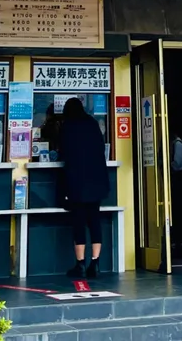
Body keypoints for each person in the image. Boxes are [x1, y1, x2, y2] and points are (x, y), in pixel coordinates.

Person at [59, 97, 109, 278]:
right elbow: (101, 148)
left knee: (79, 222)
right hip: (96, 180)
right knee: (94, 221)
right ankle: (95, 263)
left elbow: (63, 151)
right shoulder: (93, 123)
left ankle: (80, 264)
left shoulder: (68, 126)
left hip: (77, 182)